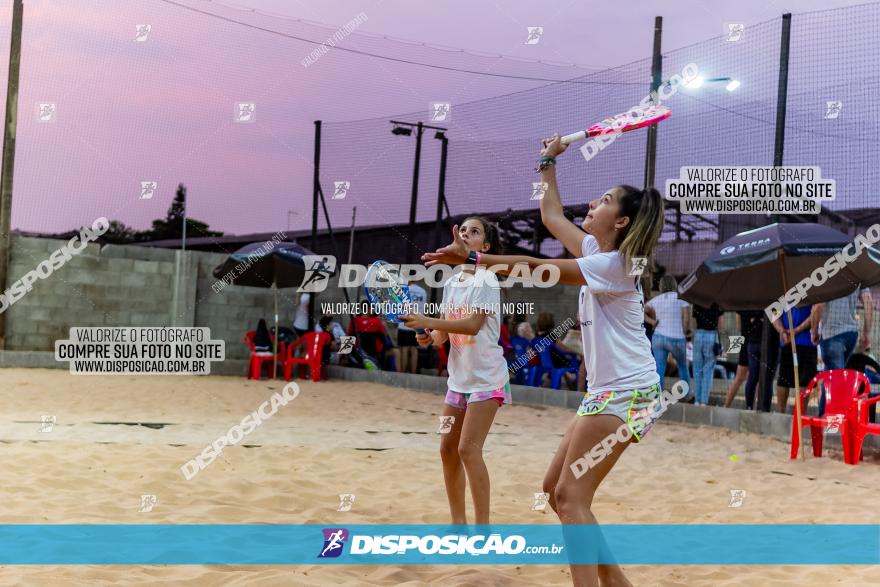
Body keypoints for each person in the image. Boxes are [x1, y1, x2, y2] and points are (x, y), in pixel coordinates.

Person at [421, 133, 669, 587]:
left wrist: (476, 257)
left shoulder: (616, 265)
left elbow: (537, 268)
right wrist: (546, 161)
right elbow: (551, 214)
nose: (594, 202)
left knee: (571, 496)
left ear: (623, 220)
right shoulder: (597, 252)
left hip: (628, 393)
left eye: (606, 200)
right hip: (609, 393)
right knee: (556, 494)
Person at [401, 216, 510, 526]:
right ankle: (457, 525)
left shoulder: (487, 279)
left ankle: (482, 530)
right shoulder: (451, 283)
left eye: (474, 232)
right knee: (447, 449)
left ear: (485, 247)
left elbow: (473, 326)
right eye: (462, 230)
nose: (465, 234)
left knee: (468, 450)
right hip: (459, 380)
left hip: (487, 379)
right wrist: (426, 335)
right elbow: (442, 338)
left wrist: (431, 323)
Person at [811, 287, 874, 414]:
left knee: (836, 383)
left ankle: (832, 427)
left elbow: (817, 307)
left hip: (831, 335)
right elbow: (869, 304)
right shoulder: (858, 271)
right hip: (851, 334)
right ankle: (823, 420)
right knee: (831, 379)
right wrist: (866, 334)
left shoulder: (826, 272)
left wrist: (814, 332)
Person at [646, 275, 692, 399]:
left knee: (660, 367)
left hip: (659, 337)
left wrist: (652, 322)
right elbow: (686, 319)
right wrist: (686, 331)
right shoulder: (682, 300)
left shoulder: (656, 300)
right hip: (677, 337)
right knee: (682, 366)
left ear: (661, 286)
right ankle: (686, 396)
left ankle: (658, 397)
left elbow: (641, 311)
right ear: (674, 285)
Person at [773, 305, 818, 414]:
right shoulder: (810, 289)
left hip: (791, 340)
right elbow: (815, 313)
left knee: (787, 378)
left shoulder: (784, 291)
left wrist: (783, 331)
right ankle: (799, 414)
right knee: (801, 380)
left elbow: (774, 312)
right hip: (800, 341)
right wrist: (783, 331)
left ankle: (789, 414)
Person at [723, 311, 762, 408]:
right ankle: (755, 406)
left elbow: (738, 327)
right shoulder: (760, 304)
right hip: (755, 341)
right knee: (756, 379)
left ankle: (726, 406)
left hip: (744, 340)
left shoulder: (741, 304)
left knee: (740, 377)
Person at [691, 303, 723, 406]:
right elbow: (721, 325)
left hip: (699, 334)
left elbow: (693, 324)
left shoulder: (697, 301)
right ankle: (704, 401)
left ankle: (697, 399)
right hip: (712, 335)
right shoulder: (717, 302)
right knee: (708, 370)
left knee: (697, 369)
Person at [396, 282, 428, 374]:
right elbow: (424, 309)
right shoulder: (423, 291)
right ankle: (413, 373)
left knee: (404, 350)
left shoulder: (403, 291)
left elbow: (398, 307)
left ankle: (402, 373)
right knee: (414, 350)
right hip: (417, 324)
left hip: (404, 324)